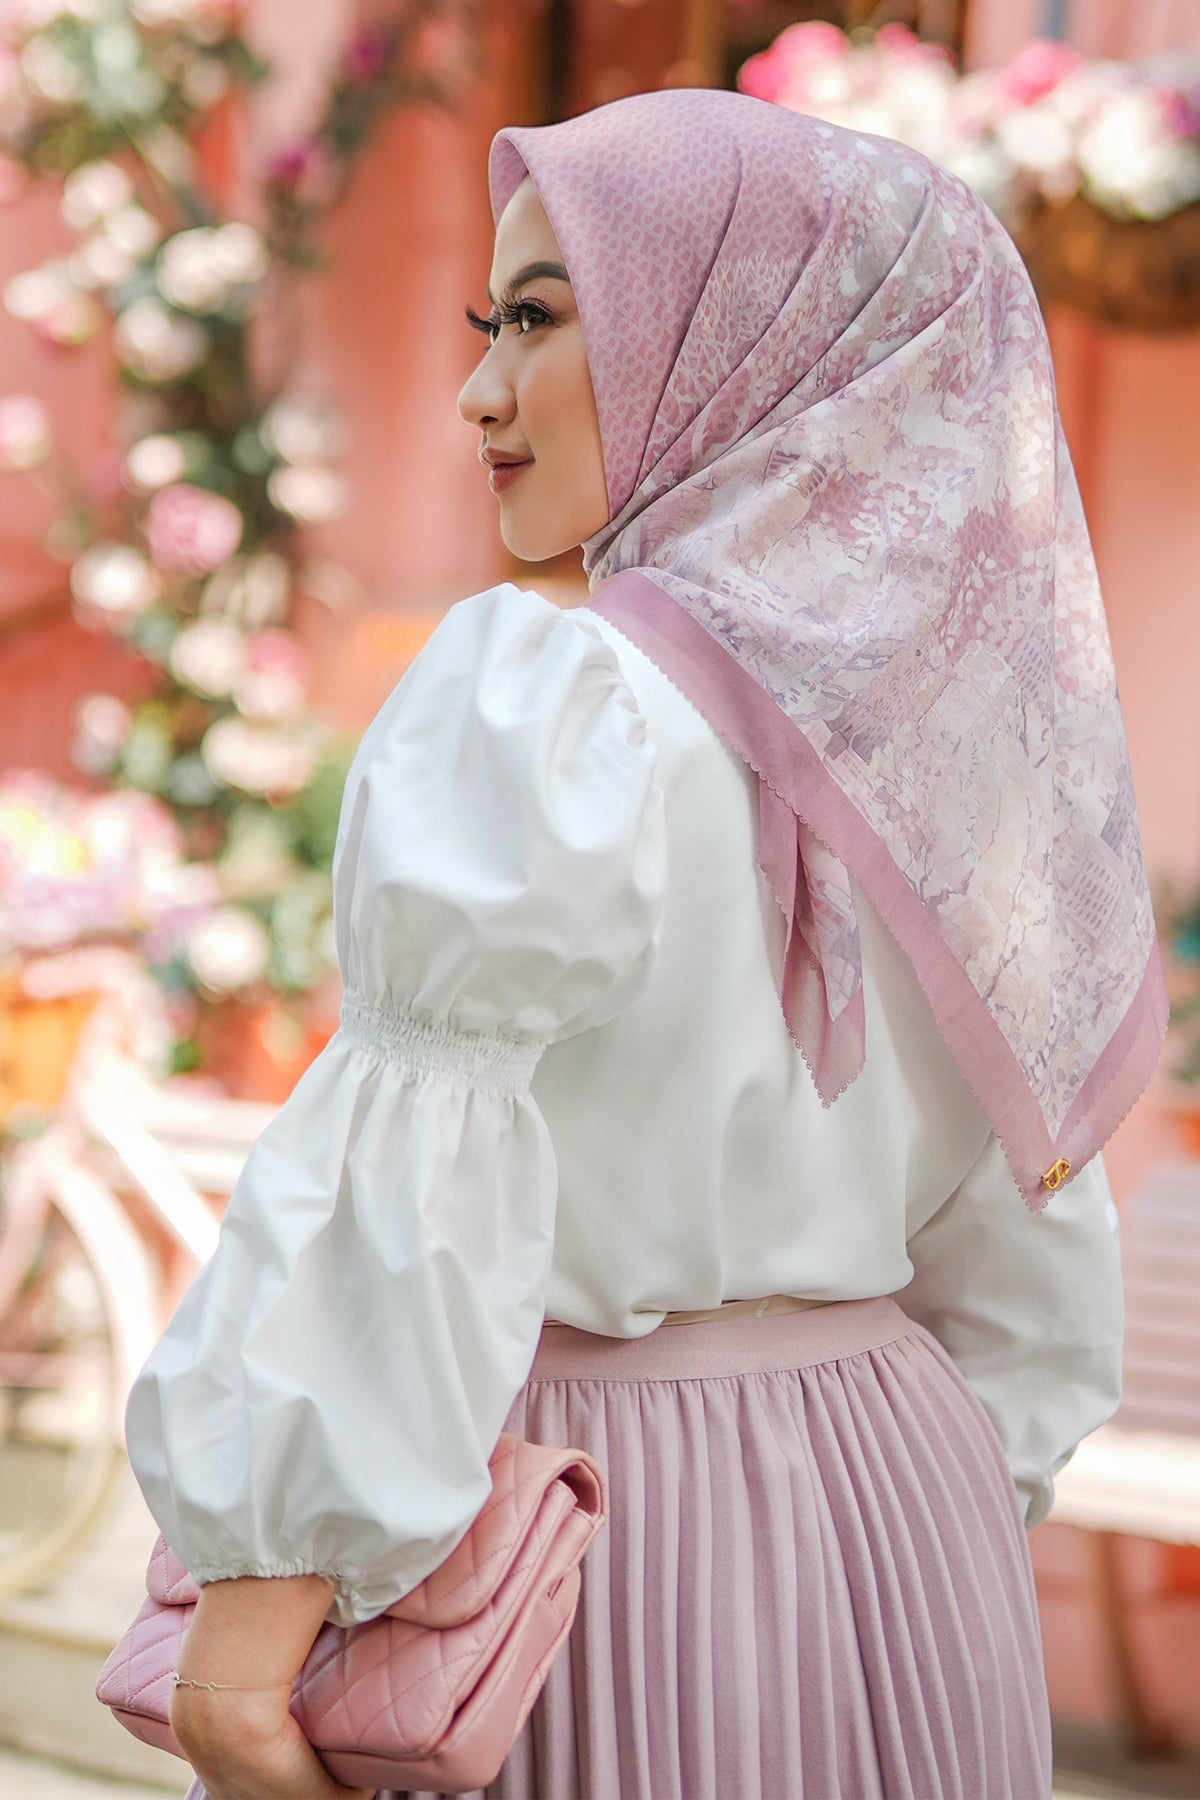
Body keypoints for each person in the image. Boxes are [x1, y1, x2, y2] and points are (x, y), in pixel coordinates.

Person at [124, 87, 1166, 1800]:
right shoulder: (974, 763)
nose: (479, 391)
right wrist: (898, 1506)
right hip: (911, 1527)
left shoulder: (553, 705)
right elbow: (1026, 1257)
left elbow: (409, 1191)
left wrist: (252, 1628)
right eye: (487, 323)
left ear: (742, 349)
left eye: (541, 320)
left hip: (580, 1535)